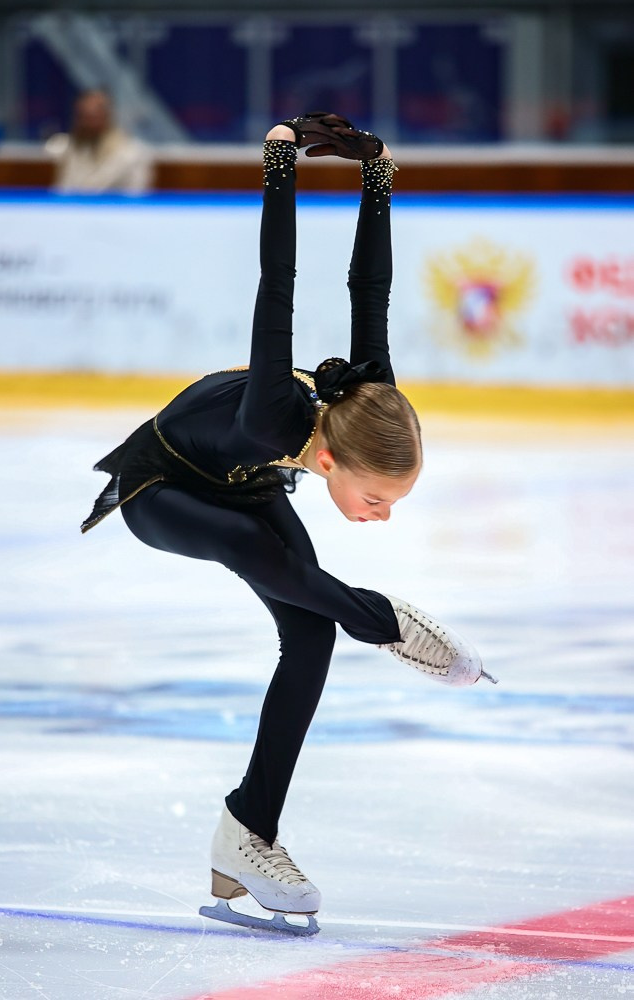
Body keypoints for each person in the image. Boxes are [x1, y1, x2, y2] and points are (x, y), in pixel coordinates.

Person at [81, 112, 493, 933]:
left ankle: (247, 830)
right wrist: (278, 163)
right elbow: (280, 281)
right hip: (157, 488)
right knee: (251, 552)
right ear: (335, 464)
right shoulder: (277, 415)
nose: (377, 518)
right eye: (377, 500)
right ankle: (381, 620)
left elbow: (365, 289)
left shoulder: (365, 397)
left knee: (309, 633)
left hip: (249, 485)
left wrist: (377, 172)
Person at [53, 89, 152, 194]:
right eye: (82, 116)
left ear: (107, 116)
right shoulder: (68, 150)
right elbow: (62, 193)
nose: (86, 123)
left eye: (93, 116)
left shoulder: (132, 153)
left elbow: (136, 198)